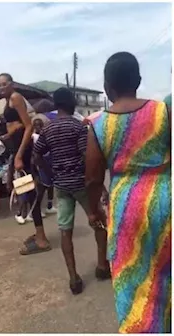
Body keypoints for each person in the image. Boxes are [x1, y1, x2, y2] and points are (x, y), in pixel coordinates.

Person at [86, 52, 171, 333]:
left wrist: (94, 210)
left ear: (107, 87)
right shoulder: (163, 111)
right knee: (165, 271)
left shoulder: (98, 123)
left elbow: (93, 178)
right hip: (165, 199)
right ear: (138, 80)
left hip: (124, 207)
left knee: (131, 275)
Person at [33, 88, 110, 295]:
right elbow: (88, 158)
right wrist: (100, 187)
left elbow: (37, 154)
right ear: (72, 103)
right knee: (100, 223)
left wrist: (50, 173)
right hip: (81, 184)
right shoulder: (78, 127)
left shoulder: (47, 129)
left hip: (62, 186)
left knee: (65, 231)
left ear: (56, 105)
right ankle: (102, 266)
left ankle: (74, 279)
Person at [0, 73, 49, 255]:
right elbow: (17, 124)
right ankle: (38, 232)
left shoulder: (16, 97)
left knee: (28, 191)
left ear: (11, 84)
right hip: (16, 145)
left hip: (22, 150)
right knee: (24, 189)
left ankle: (41, 238)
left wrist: (19, 155)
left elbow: (28, 126)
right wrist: (7, 136)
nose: (1, 87)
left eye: (4, 84)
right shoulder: (8, 100)